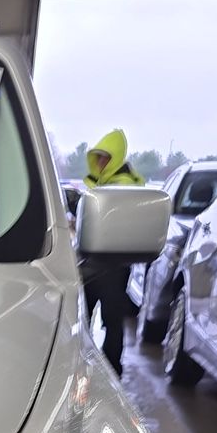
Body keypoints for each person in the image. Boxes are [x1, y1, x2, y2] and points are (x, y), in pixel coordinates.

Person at [80, 129, 144, 376]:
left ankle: (111, 372)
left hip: (112, 266)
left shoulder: (124, 187)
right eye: (98, 157)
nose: (101, 162)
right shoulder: (99, 185)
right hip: (92, 263)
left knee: (111, 321)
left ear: (115, 158)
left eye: (105, 157)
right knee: (83, 318)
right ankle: (91, 367)